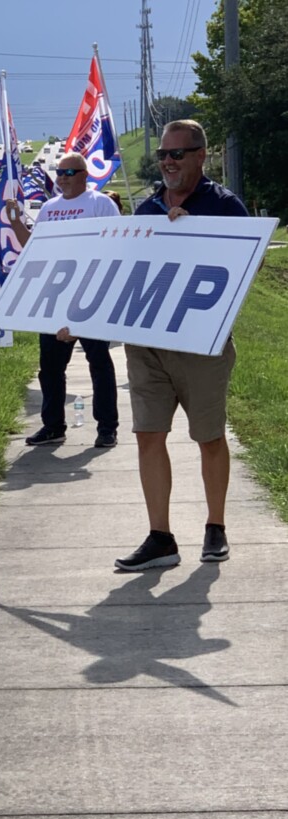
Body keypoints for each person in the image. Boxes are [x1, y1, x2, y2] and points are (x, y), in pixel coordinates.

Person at [115, 119, 250, 571]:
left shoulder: (226, 208)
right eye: (162, 155)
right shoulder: (148, 208)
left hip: (201, 346)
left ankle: (216, 526)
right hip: (147, 343)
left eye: (177, 154)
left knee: (208, 437)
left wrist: (193, 234)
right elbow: (128, 272)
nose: (168, 162)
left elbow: (238, 274)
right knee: (147, 436)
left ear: (200, 156)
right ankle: (161, 538)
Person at [6, 152, 121, 449]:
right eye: (60, 172)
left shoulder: (100, 203)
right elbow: (34, 246)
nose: (63, 177)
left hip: (92, 295)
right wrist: (16, 220)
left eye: (70, 172)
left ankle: (107, 427)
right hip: (56, 297)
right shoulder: (49, 208)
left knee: (99, 363)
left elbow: (117, 245)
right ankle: (53, 425)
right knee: (50, 368)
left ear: (85, 175)